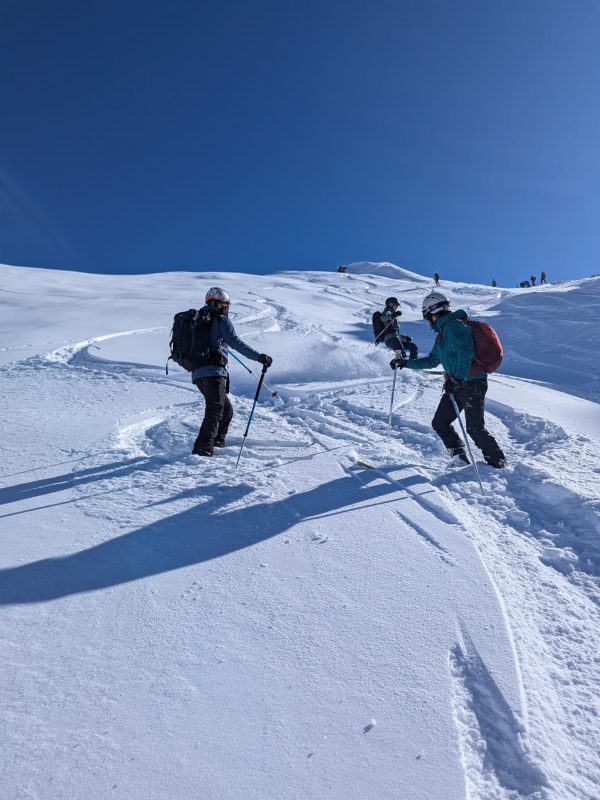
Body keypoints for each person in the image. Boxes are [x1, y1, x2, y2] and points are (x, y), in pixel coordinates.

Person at [390, 291, 506, 468]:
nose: (428, 321)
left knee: (474, 428)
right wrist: (405, 363)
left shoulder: (454, 327)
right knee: (440, 422)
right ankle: (460, 457)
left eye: (427, 316)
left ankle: (498, 461)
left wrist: (458, 377)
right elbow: (432, 360)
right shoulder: (442, 335)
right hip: (456, 384)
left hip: (472, 383)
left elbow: (465, 352)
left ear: (432, 312)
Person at [190, 287, 273, 457]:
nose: (228, 308)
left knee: (225, 410)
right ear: (221, 303)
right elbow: (235, 342)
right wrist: (259, 357)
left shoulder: (197, 320)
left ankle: (217, 442)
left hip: (198, 374)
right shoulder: (220, 320)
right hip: (213, 373)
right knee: (215, 410)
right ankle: (202, 449)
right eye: (227, 304)